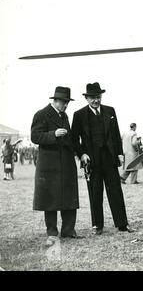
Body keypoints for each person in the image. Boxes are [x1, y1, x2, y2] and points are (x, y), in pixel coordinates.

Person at [71, 82, 134, 235]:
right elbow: (74, 139)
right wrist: (82, 154)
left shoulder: (110, 111)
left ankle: (122, 224)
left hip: (109, 159)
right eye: (92, 98)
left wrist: (119, 153)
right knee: (95, 193)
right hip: (91, 161)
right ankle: (97, 225)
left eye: (98, 97)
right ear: (87, 98)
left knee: (116, 192)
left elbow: (115, 134)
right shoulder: (79, 115)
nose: (96, 100)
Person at [31, 86, 82, 246]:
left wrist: (80, 154)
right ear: (55, 100)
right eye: (63, 102)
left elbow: (72, 139)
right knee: (50, 199)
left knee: (69, 196)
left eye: (67, 102)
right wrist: (53, 134)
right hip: (49, 163)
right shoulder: (41, 114)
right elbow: (35, 136)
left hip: (66, 163)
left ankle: (68, 230)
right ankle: (52, 232)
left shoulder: (65, 116)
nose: (65, 105)